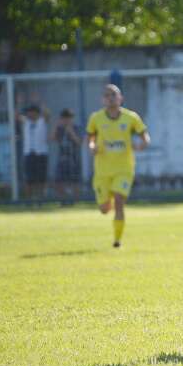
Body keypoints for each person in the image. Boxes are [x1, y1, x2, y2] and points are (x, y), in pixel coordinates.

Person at [86, 84, 150, 248]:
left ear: (121, 98)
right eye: (107, 95)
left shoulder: (131, 117)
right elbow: (90, 138)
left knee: (120, 202)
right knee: (104, 209)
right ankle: (109, 200)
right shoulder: (96, 118)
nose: (111, 98)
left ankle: (117, 241)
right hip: (102, 171)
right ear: (103, 100)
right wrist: (92, 147)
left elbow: (144, 136)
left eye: (114, 95)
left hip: (124, 168)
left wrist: (142, 144)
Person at [50, 108, 82, 203]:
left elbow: (79, 142)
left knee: (75, 182)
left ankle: (76, 201)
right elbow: (52, 138)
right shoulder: (59, 129)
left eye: (69, 118)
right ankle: (64, 200)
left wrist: (71, 131)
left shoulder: (76, 128)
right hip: (62, 158)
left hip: (74, 158)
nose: (67, 121)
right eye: (64, 118)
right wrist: (56, 126)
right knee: (58, 181)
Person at [20, 105, 49, 199]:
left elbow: (47, 114)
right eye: (29, 112)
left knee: (41, 178)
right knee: (29, 179)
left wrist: (40, 103)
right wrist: (19, 103)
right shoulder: (26, 122)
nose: (30, 114)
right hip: (29, 154)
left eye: (32, 112)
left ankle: (41, 198)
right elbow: (16, 115)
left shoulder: (42, 121)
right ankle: (29, 199)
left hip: (40, 154)